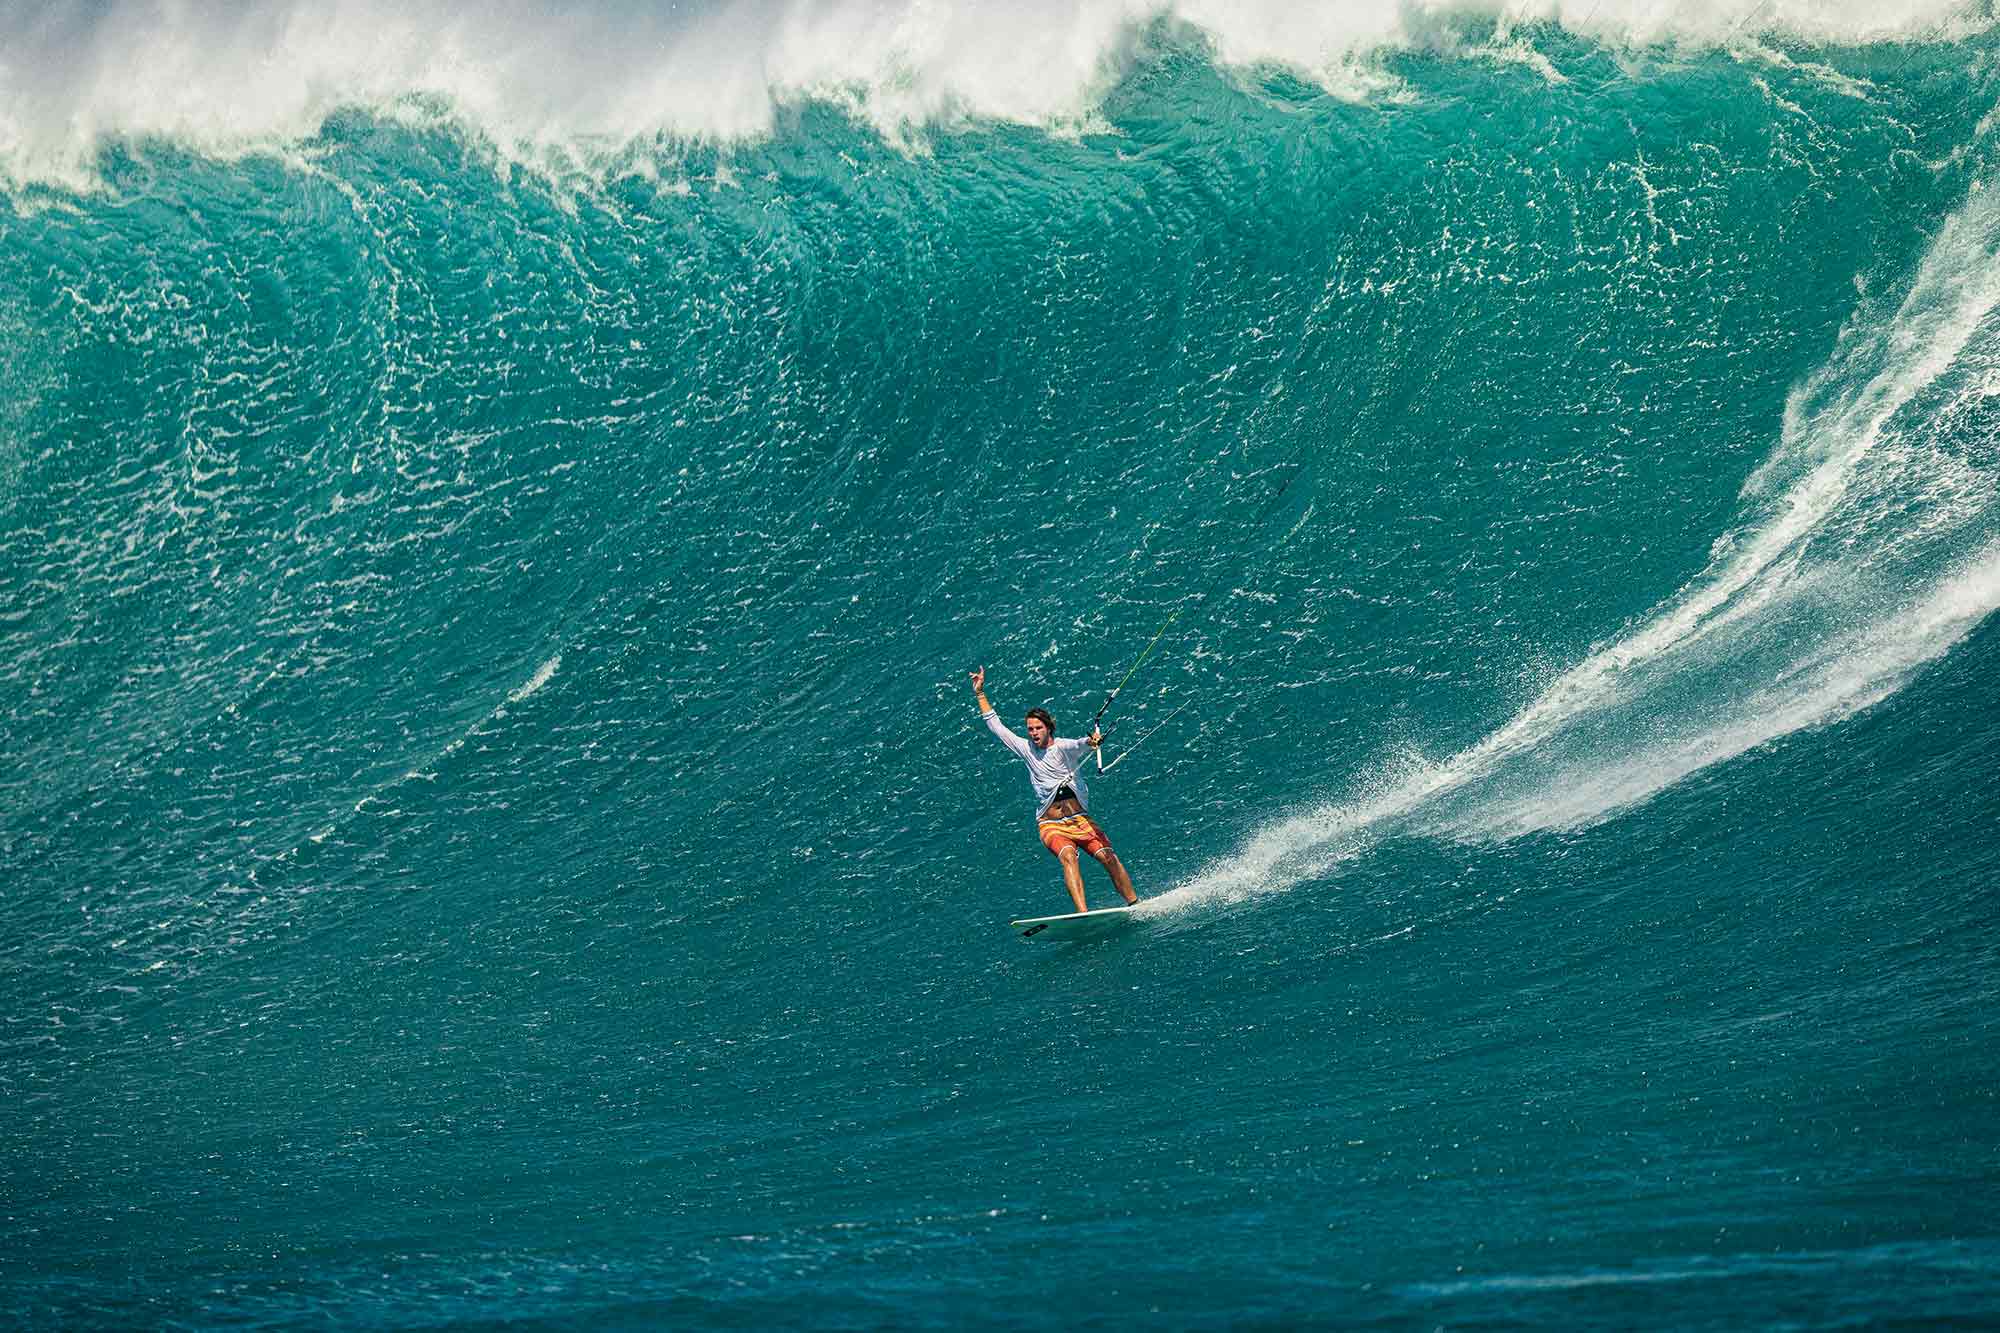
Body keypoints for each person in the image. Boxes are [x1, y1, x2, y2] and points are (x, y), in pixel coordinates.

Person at [969, 666, 1140, 912]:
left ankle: (1134, 904)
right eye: (1030, 729)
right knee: (1069, 857)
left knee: (1108, 857)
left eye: (1038, 728)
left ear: (1048, 728)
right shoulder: (1025, 748)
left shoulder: (1061, 747)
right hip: (1051, 825)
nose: (1033, 733)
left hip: (1080, 820)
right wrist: (980, 694)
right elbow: (996, 726)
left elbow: (1081, 745)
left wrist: (1092, 742)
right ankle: (1083, 914)